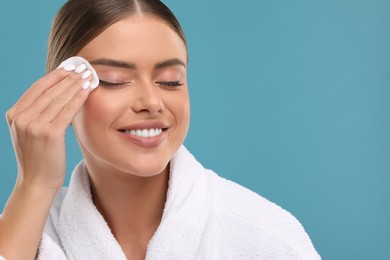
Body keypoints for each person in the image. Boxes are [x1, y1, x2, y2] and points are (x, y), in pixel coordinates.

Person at [0, 0, 321, 259]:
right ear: (62, 93)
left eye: (171, 81)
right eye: (114, 80)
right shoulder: (28, 235)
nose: (152, 102)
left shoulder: (264, 237)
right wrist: (35, 185)